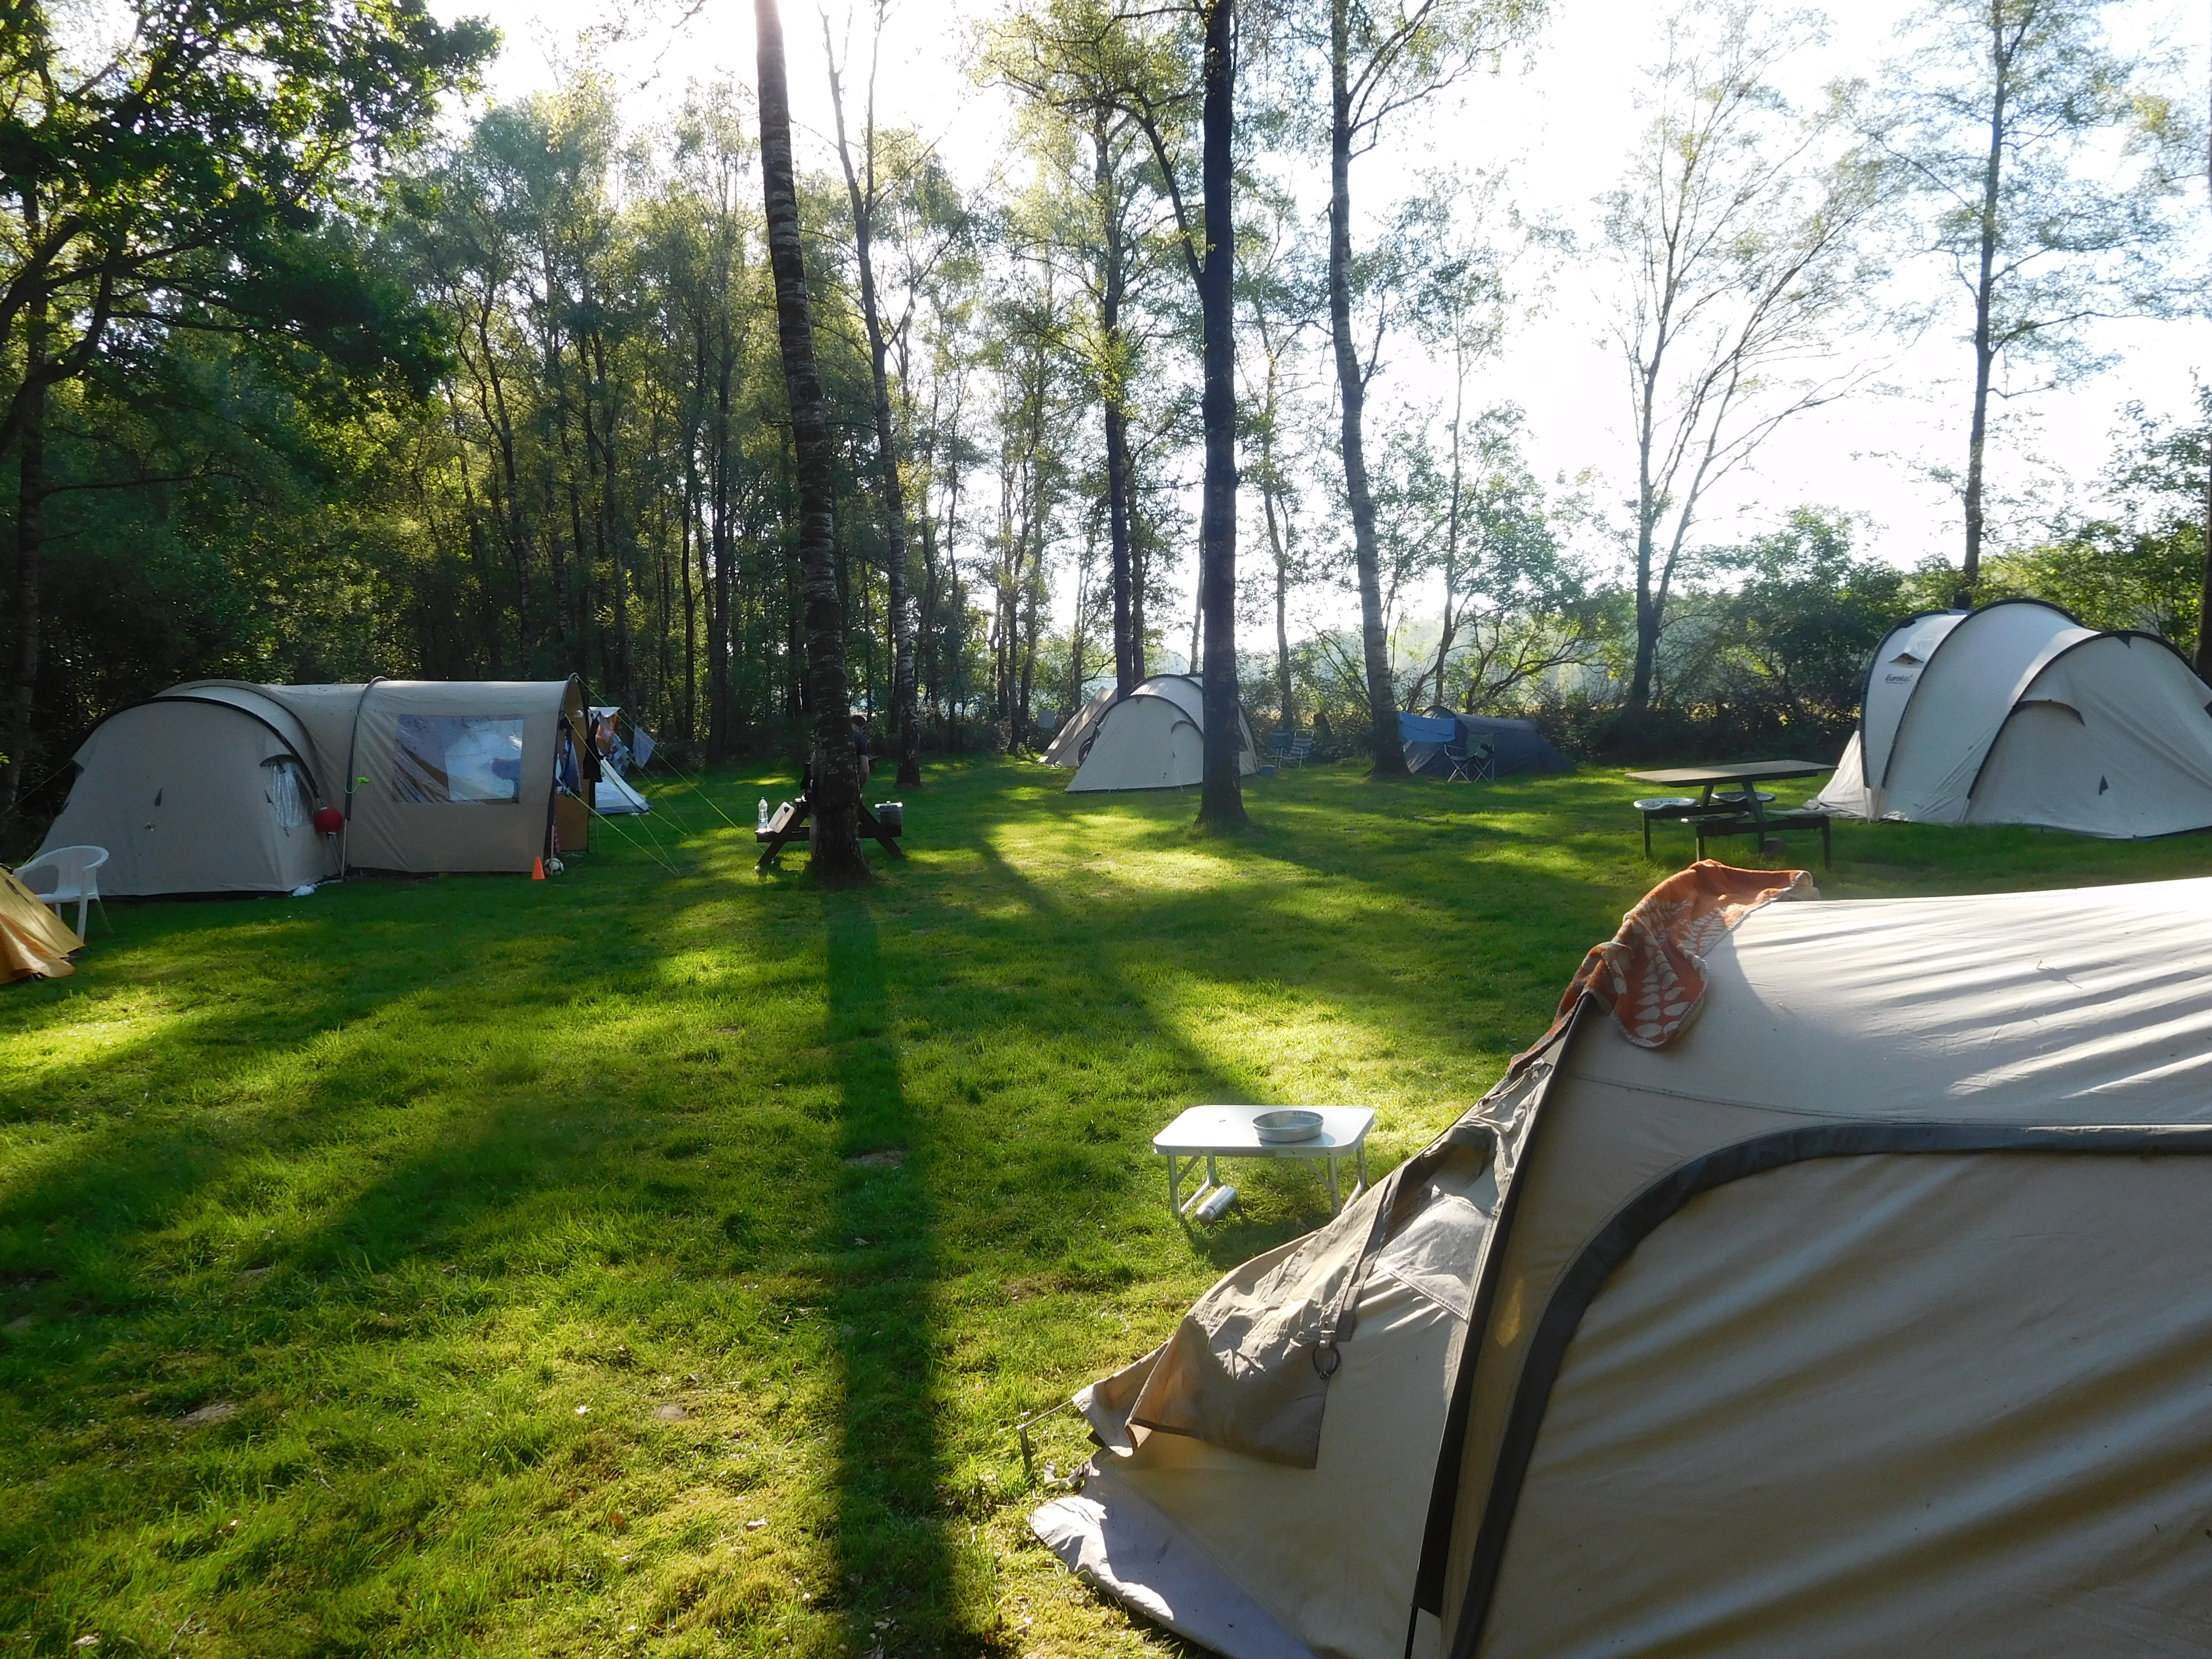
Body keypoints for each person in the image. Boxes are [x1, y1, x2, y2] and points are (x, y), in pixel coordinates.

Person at [851, 713, 872, 785]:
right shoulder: (859, 737)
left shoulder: (830, 734)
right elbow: (865, 770)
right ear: (862, 728)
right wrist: (858, 788)